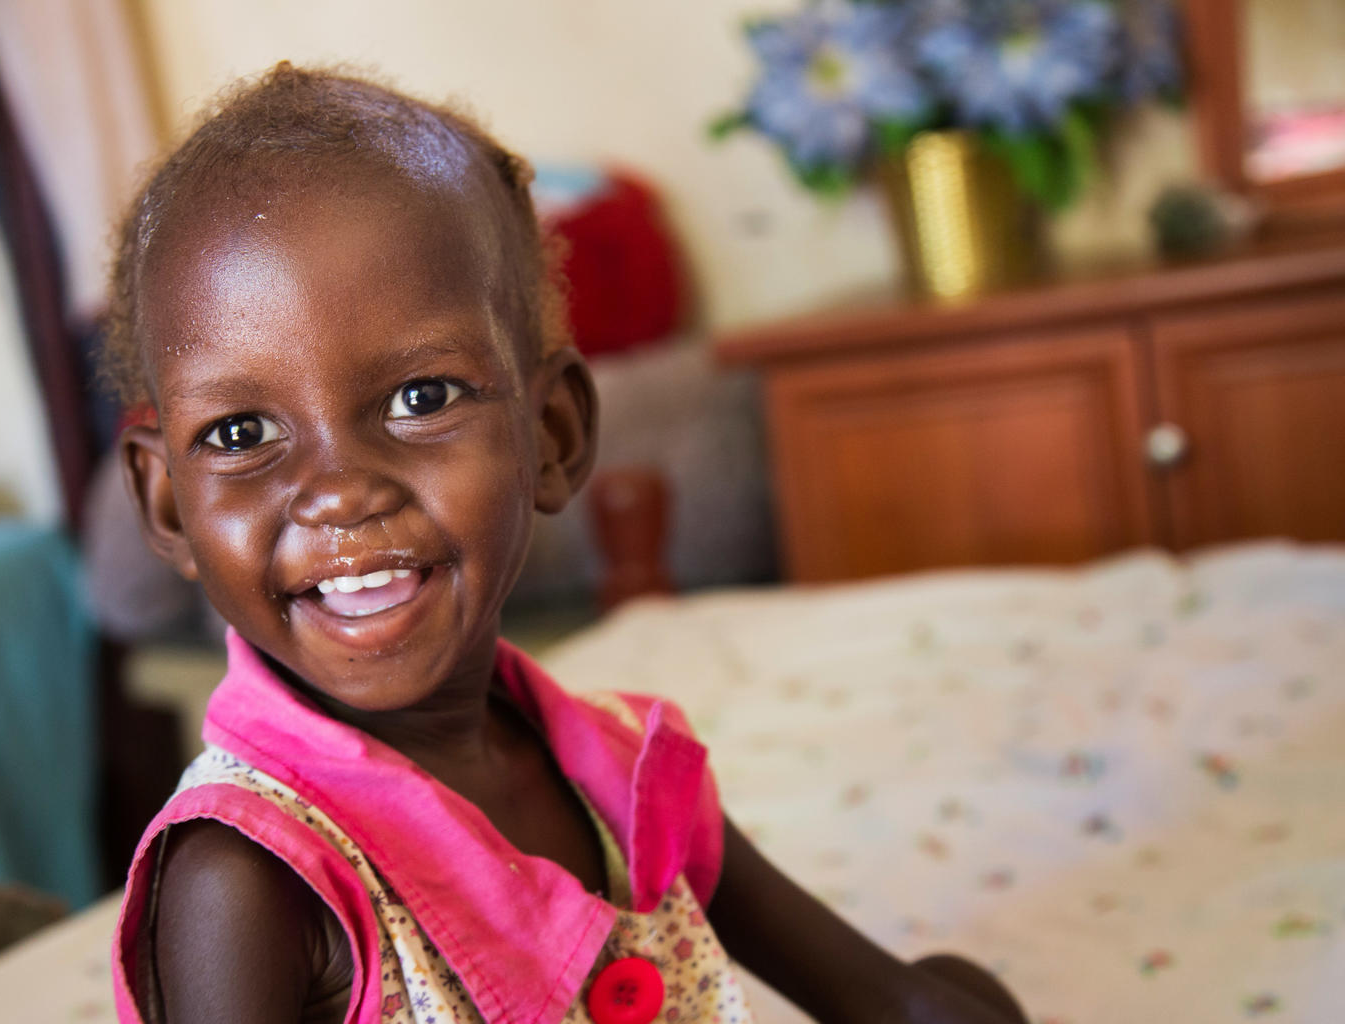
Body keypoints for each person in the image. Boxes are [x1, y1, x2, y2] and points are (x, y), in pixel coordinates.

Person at [105, 62, 1028, 1024]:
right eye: (242, 435)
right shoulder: (246, 879)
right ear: (168, 504)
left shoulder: (619, 770)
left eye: (421, 399)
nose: (338, 493)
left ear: (552, 436)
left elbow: (893, 1003)